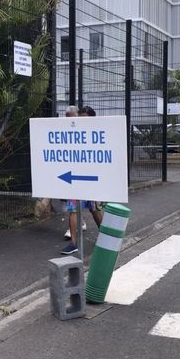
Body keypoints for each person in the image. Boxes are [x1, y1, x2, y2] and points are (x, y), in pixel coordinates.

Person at [61, 106, 104, 255]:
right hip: (75, 179)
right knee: (73, 209)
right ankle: (73, 244)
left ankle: (105, 237)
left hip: (91, 179)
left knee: (94, 209)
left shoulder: (98, 134)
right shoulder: (73, 133)